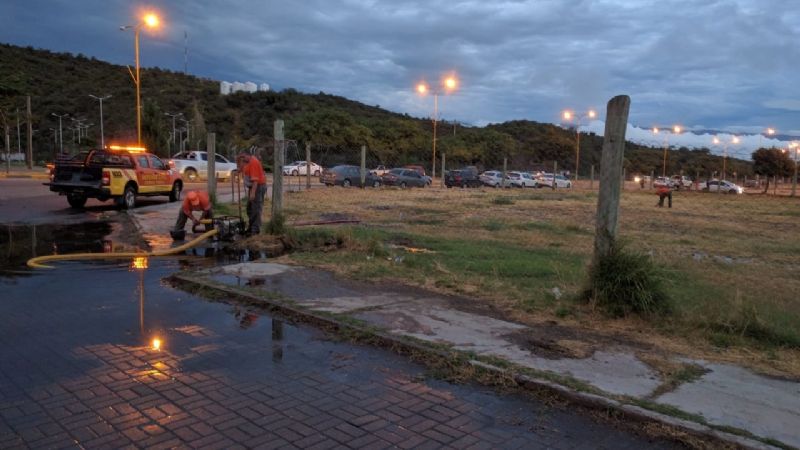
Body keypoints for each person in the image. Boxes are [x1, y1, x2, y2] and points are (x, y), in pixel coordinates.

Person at [238, 152, 267, 235]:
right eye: (241, 158)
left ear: (248, 155)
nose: (242, 159)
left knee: (256, 208)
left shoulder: (253, 162)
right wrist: (238, 162)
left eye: (243, 157)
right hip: (252, 187)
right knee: (249, 209)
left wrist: (253, 193)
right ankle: (251, 227)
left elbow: (255, 180)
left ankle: (255, 229)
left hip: (258, 187)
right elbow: (241, 169)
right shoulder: (246, 162)